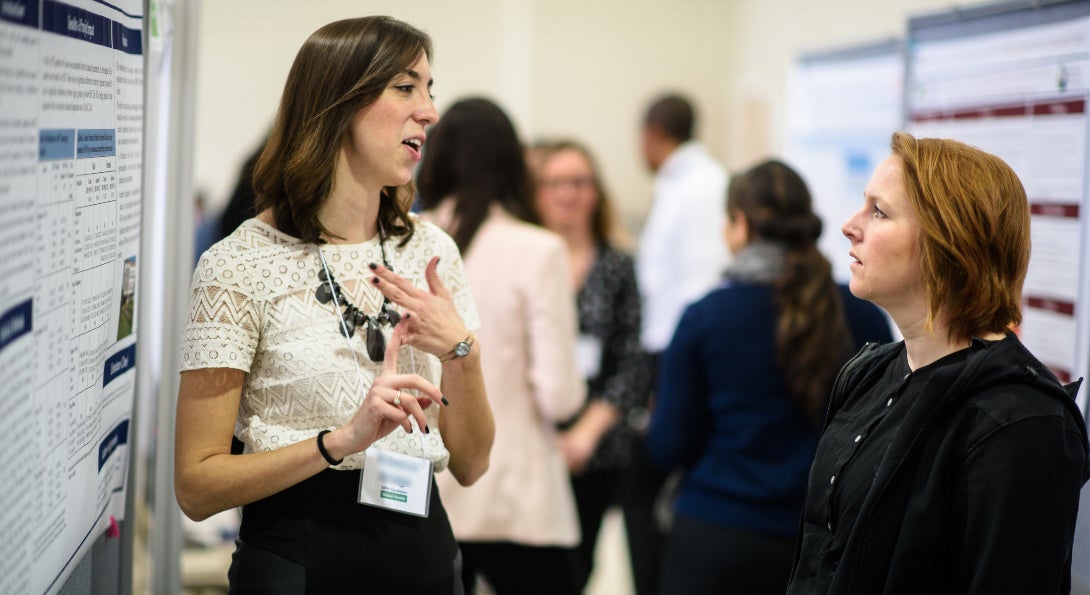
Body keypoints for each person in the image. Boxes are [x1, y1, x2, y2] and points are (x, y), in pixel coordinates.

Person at [174, 17, 495, 594]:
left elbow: (471, 466)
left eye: (430, 89)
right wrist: (339, 442)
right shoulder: (239, 264)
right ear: (337, 103)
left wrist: (461, 353)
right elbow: (196, 488)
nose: (429, 111)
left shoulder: (429, 250)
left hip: (425, 558)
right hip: (300, 560)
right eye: (405, 88)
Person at [786, 132, 1090, 594]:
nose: (849, 225)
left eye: (879, 211)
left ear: (949, 243)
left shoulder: (1021, 423)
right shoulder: (868, 374)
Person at [645, 159, 892, 595]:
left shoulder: (706, 317)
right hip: (820, 543)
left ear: (740, 224)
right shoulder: (861, 315)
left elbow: (669, 445)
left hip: (714, 536)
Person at [418, 98, 586, 595]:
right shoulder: (538, 250)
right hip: (517, 492)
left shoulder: (403, 241)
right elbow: (559, 396)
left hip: (427, 484)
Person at [530, 139, 650, 590]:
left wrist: (585, 435)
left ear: (596, 192)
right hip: (529, 445)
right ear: (537, 192)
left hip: (596, 451)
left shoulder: (619, 266)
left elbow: (632, 362)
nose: (569, 193)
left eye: (580, 182)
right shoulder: (525, 260)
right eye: (556, 182)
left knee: (575, 572)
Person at [630, 92, 730, 595]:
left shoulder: (700, 185)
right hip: (673, 345)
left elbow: (694, 285)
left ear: (652, 134)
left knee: (661, 471)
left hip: (677, 349)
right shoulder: (689, 182)